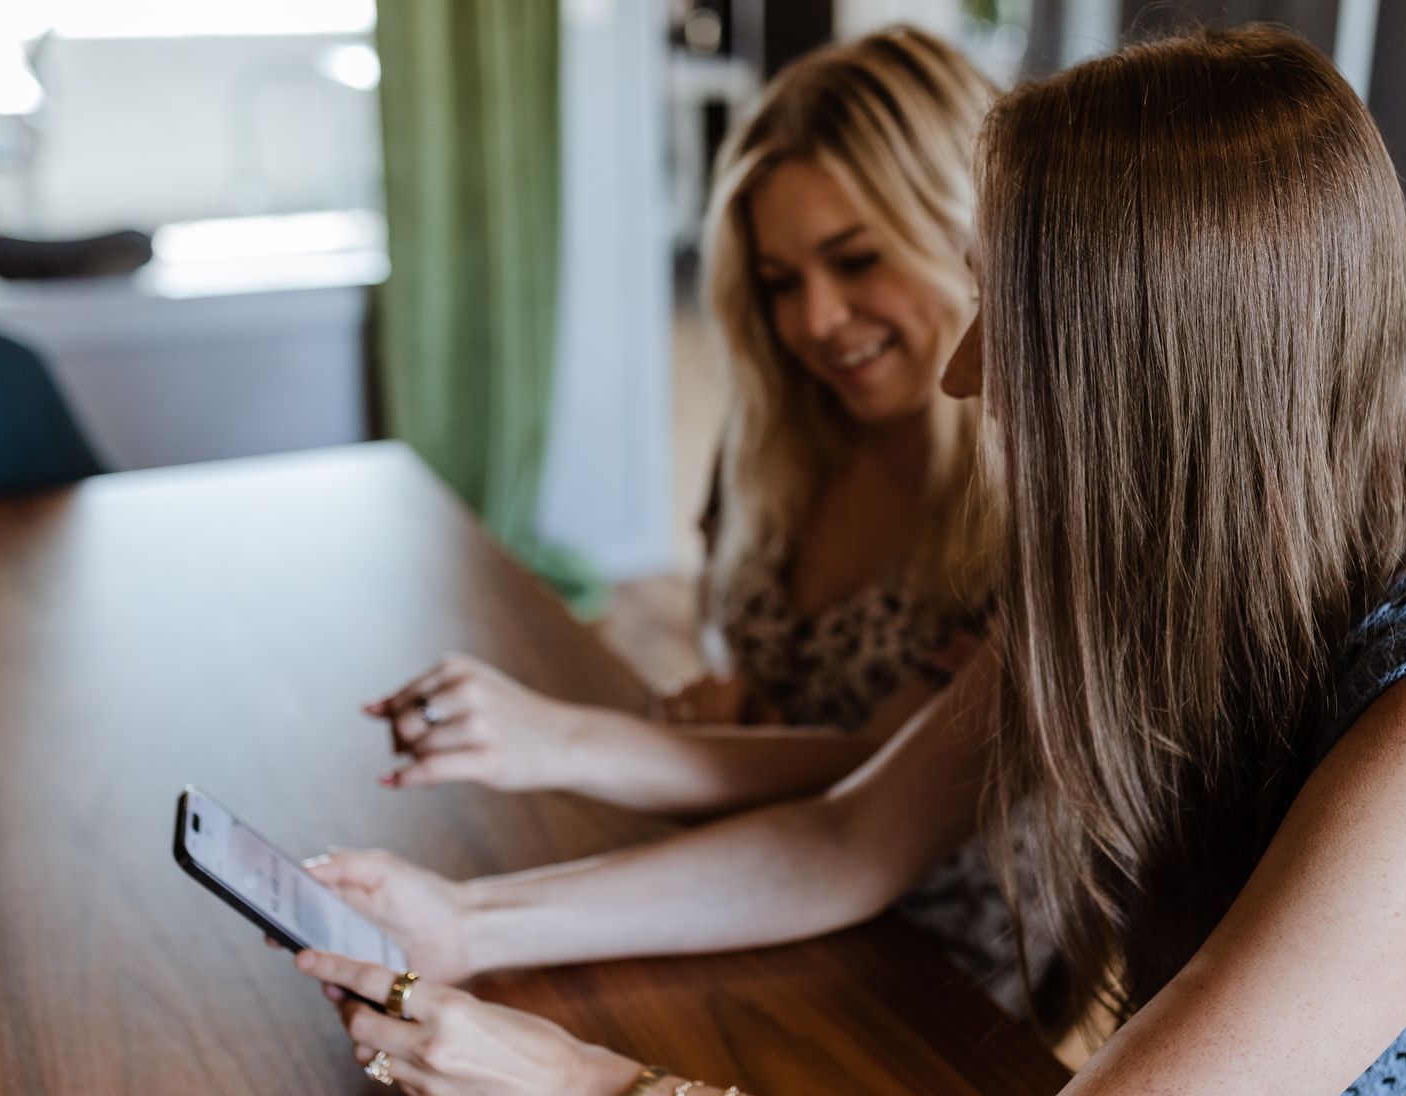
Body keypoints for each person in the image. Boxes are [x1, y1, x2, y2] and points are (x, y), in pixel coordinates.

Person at [294, 26, 1406, 1096]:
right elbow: (847, 843)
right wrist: (467, 924)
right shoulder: (1128, 569)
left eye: (1007, 314)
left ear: (1157, 358)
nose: (963, 370)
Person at [365, 27, 1032, 1009]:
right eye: (777, 282)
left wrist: (570, 742)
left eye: (855, 261)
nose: (814, 321)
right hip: (733, 889)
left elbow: (884, 781)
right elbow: (777, 702)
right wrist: (734, 720)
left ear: (965, 236)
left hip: (940, 978)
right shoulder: (777, 441)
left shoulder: (1032, 505)